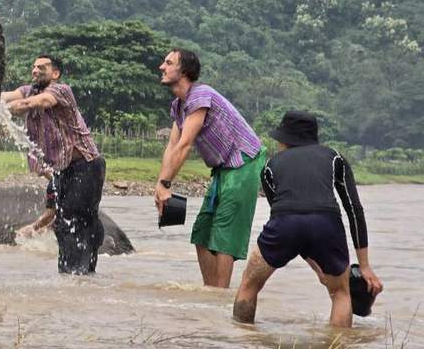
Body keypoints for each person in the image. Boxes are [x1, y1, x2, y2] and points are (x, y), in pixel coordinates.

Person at [233, 111, 384, 327]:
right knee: (341, 294)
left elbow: (286, 219)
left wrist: (315, 266)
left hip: (284, 224)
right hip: (327, 224)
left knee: (249, 284)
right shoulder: (335, 158)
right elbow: (354, 209)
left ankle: (242, 341)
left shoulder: (269, 166)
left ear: (285, 139)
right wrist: (365, 267)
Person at [154, 48, 265, 288]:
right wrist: (160, 185)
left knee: (224, 232)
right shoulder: (179, 106)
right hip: (223, 169)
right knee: (202, 232)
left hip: (244, 162)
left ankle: (221, 294)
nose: (161, 67)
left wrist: (166, 183)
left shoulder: (200, 95)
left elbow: (184, 145)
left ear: (184, 71)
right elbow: (172, 147)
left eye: (168, 62)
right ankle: (211, 293)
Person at [0, 55, 106, 274]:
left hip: (85, 165)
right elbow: (3, 96)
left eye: (42, 67)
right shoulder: (27, 90)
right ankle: (73, 273)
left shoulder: (61, 91)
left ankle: (77, 273)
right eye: (34, 67)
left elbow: (36, 103)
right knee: (64, 221)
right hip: (62, 170)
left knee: (73, 219)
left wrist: (3, 111)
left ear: (55, 73)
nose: (36, 70)